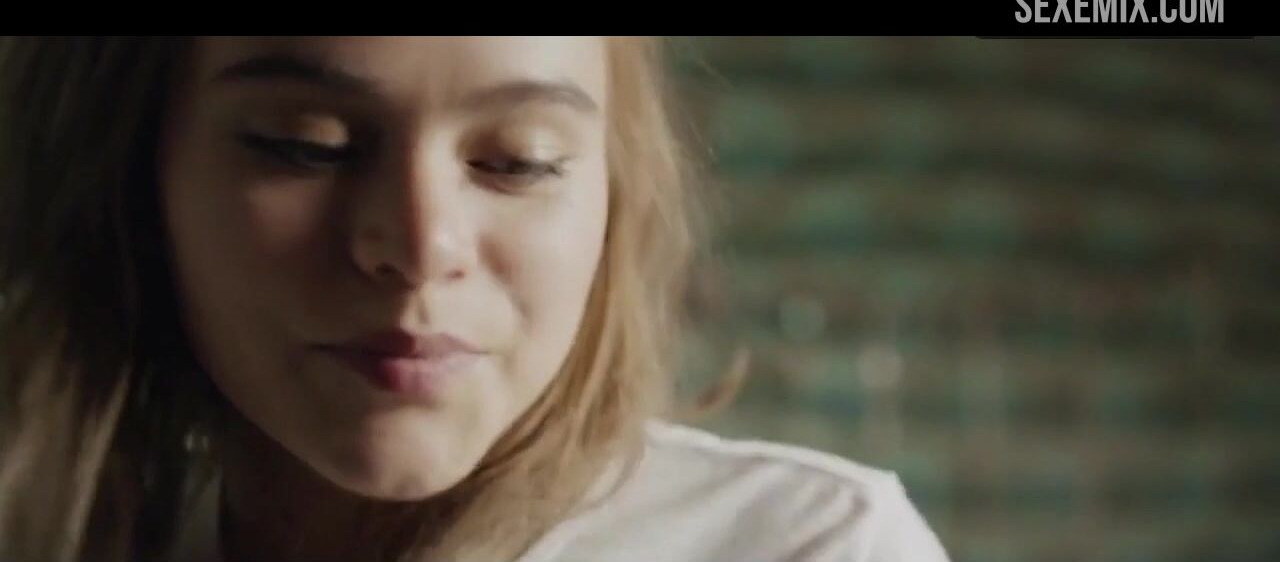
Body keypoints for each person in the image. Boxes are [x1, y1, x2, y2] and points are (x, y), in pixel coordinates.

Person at [0, 36, 950, 562]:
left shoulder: (809, 549)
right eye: (307, 144)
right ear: (134, 175)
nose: (421, 249)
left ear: (611, 197)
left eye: (517, 162)